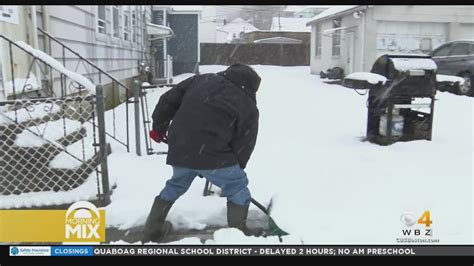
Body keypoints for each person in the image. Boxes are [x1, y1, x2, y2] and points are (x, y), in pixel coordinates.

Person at [143, 63, 261, 242]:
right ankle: (239, 235)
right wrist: (236, 165)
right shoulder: (248, 104)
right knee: (237, 186)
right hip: (215, 153)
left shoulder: (201, 80)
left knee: (176, 184)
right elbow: (245, 141)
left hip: (181, 146)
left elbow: (168, 100)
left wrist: (158, 128)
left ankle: (152, 229)